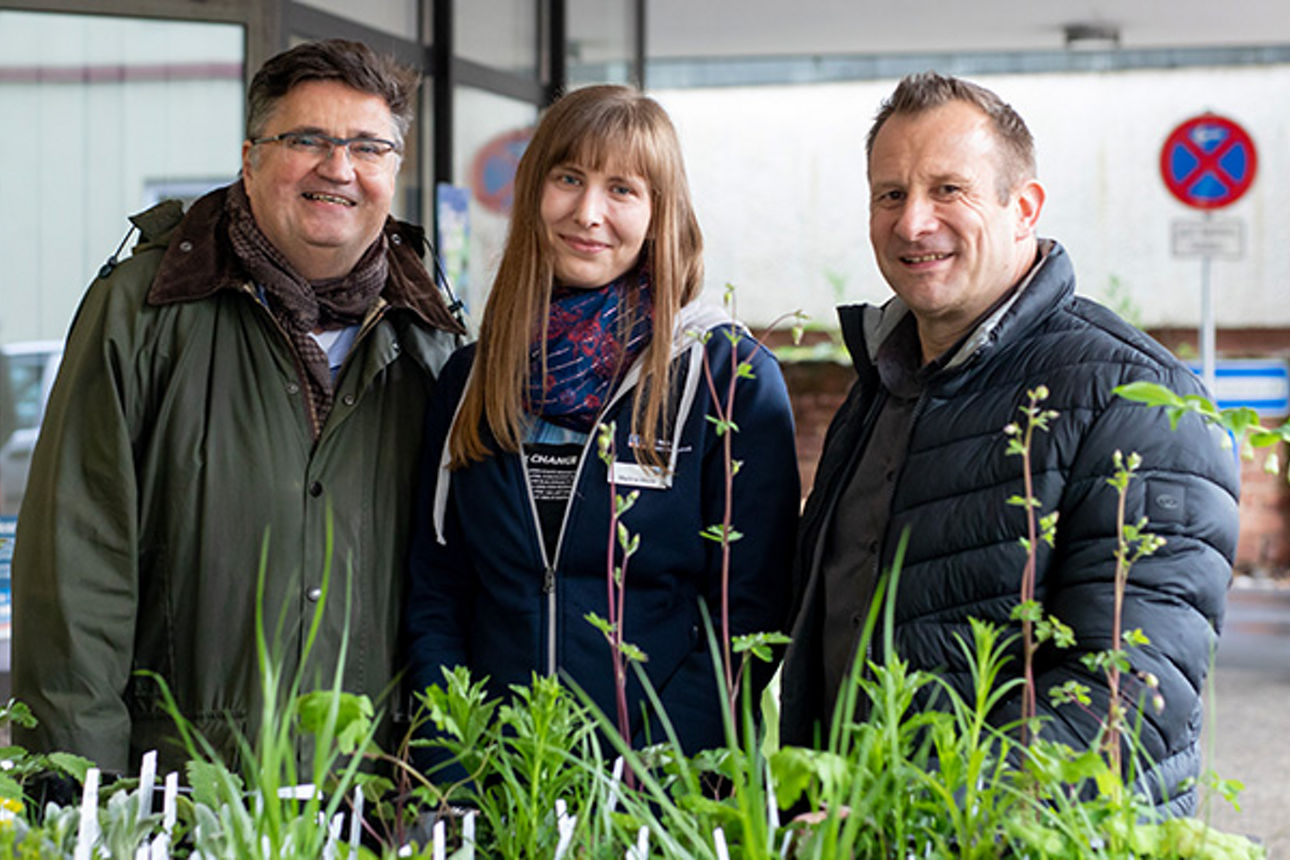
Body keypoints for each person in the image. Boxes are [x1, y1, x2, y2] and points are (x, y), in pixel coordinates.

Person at [779, 72, 1239, 816]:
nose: (913, 222)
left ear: (1023, 209)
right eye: (890, 194)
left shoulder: (1135, 398)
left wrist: (923, 815)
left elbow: (1131, 696)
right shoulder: (882, 385)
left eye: (948, 190)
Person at [12, 39, 464, 775]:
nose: (339, 168)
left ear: (394, 170)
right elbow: (75, 572)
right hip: (180, 793)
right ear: (250, 159)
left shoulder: (431, 338)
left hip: (371, 796)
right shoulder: (143, 311)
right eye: (307, 140)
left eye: (367, 147)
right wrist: (78, 794)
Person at [405, 85, 799, 758]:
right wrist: (454, 765)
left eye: (622, 189)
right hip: (497, 778)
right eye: (568, 178)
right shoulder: (472, 377)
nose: (588, 213)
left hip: (667, 788)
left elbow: (748, 617)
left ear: (659, 213)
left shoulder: (727, 379)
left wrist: (648, 782)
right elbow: (437, 595)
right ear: (533, 191)